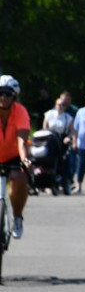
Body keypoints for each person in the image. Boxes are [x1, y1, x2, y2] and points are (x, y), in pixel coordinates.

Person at [0, 75, 31, 239]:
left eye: (7, 94)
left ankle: (17, 217)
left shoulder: (20, 112)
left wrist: (25, 160)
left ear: (14, 96)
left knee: (19, 177)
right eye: (0, 93)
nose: (3, 97)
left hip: (14, 155)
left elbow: (22, 141)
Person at [42, 91, 76, 191]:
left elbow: (72, 131)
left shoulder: (67, 117)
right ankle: (46, 183)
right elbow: (45, 128)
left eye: (62, 105)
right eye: (59, 105)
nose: (61, 106)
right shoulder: (49, 114)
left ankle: (64, 181)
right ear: (55, 105)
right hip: (50, 140)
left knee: (63, 162)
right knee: (48, 161)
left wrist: (69, 138)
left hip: (61, 141)